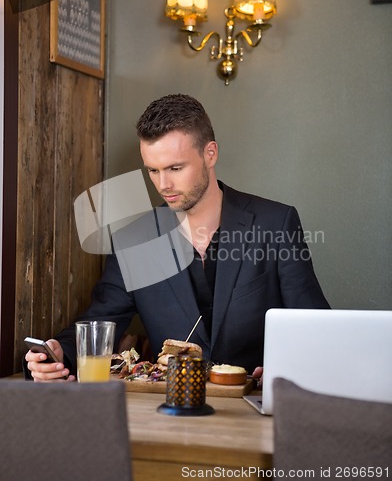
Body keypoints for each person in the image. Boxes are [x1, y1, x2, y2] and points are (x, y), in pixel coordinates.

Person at [25, 94, 330, 382]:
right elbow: (99, 323)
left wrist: (289, 368)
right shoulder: (135, 241)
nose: (163, 184)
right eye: (153, 171)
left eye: (175, 168)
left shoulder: (275, 223)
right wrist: (57, 354)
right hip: (171, 410)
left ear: (210, 154)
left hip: (260, 406)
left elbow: (316, 329)